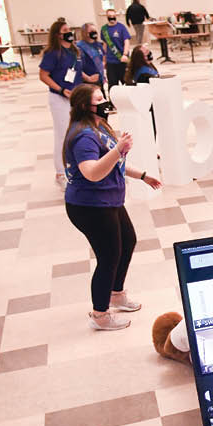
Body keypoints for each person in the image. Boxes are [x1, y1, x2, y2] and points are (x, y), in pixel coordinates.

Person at [62, 84, 162, 331]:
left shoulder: (99, 127)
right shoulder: (84, 135)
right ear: (86, 106)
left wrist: (143, 175)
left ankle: (116, 293)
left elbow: (112, 163)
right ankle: (100, 313)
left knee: (128, 241)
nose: (105, 102)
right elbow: (92, 172)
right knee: (108, 257)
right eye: (99, 99)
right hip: (90, 206)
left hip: (109, 201)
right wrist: (119, 149)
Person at [39, 20, 84, 188]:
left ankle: (76, 167)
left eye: (69, 29)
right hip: (60, 98)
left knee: (77, 132)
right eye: (65, 30)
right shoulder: (52, 53)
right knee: (63, 134)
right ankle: (60, 172)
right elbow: (43, 75)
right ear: (57, 35)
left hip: (76, 97)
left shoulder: (75, 51)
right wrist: (61, 90)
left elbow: (78, 72)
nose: (69, 32)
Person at [101, 8, 131, 88]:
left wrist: (125, 54)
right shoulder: (104, 29)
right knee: (112, 86)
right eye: (110, 16)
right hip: (111, 61)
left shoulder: (121, 27)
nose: (112, 17)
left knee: (127, 83)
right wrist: (104, 60)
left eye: (113, 16)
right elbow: (105, 45)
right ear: (107, 17)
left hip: (122, 60)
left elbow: (126, 42)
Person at [77, 23, 106, 95]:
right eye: (92, 31)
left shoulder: (98, 44)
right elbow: (77, 67)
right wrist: (87, 78)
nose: (94, 32)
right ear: (85, 33)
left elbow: (102, 58)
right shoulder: (80, 47)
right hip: (88, 82)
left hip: (99, 80)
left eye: (95, 30)